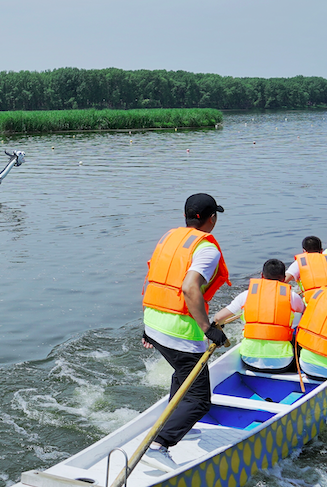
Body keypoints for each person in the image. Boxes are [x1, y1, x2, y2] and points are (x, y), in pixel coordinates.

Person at [139, 193, 231, 462]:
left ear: (185, 216)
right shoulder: (207, 249)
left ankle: (177, 424)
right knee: (199, 400)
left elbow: (154, 279)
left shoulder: (169, 238)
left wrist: (148, 325)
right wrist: (207, 328)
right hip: (179, 332)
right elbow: (190, 287)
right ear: (212, 219)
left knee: (182, 375)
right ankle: (159, 444)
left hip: (153, 323)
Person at [211, 259, 306, 373]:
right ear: (284, 278)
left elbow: (218, 318)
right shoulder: (292, 296)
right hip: (281, 364)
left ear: (262, 275)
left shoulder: (246, 295)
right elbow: (305, 313)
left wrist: (220, 326)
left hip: (249, 361)